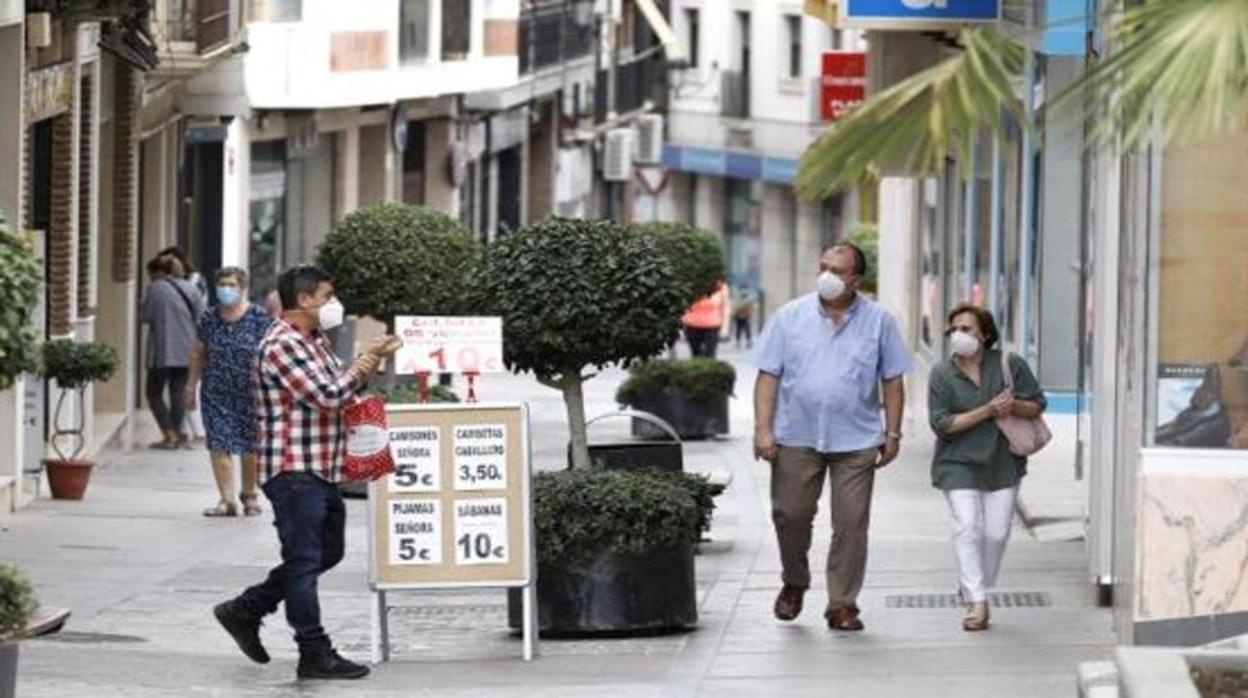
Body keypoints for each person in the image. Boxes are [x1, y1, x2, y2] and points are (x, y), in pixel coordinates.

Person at [213, 264, 397, 681]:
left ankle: (247, 608)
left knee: (325, 553)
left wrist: (369, 363)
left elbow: (340, 385)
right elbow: (329, 395)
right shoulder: (282, 345)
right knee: (303, 559)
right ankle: (312, 650)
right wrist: (367, 359)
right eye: (328, 296)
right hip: (294, 468)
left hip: (320, 467)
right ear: (305, 300)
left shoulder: (314, 341)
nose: (334, 305)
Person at [752, 243, 910, 632]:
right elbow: (768, 375)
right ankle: (794, 580)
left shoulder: (880, 322)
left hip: (856, 439)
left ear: (856, 279)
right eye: (823, 267)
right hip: (796, 435)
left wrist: (892, 432)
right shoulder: (789, 317)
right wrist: (762, 428)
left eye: (837, 270)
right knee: (790, 514)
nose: (826, 276)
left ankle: (842, 603)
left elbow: (893, 380)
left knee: (852, 524)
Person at [927, 304, 1046, 632]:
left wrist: (1014, 406)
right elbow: (942, 424)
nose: (959, 335)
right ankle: (978, 601)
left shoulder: (1009, 364)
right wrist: (988, 410)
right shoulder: (941, 374)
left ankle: (973, 582)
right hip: (957, 462)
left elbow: (1037, 403)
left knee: (996, 533)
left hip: (1002, 461)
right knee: (967, 526)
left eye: (967, 329)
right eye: (954, 330)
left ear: (985, 333)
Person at [185, 267, 273, 517]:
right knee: (219, 443)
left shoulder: (259, 318)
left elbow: (271, 353)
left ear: (243, 288)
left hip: (251, 393)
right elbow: (197, 352)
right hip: (216, 391)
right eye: (222, 284)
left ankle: (249, 495)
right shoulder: (209, 318)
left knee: (250, 447)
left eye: (231, 285)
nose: (226, 289)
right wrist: (191, 386)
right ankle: (226, 500)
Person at [141, 255, 205, 449]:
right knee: (178, 392)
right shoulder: (190, 288)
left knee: (153, 393)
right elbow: (201, 317)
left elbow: (145, 316)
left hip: (162, 349)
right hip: (187, 349)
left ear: (159, 272)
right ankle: (177, 433)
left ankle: (169, 433)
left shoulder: (155, 288)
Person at [160, 246, 209, 443]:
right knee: (180, 387)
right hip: (186, 340)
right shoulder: (191, 283)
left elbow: (200, 309)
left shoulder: (194, 281)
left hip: (186, 340)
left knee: (183, 387)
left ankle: (185, 431)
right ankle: (182, 430)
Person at [684, 280, 729, 358]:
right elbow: (683, 305)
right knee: (696, 355)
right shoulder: (690, 283)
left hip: (712, 327)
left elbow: (725, 307)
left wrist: (725, 328)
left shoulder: (720, 286)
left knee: (710, 354)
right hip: (692, 326)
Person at [733, 284, 756, 349]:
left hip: (746, 317)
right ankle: (738, 342)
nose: (743, 291)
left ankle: (748, 341)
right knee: (738, 329)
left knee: (747, 329)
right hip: (738, 316)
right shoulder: (737, 298)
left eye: (745, 289)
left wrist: (750, 314)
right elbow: (735, 307)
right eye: (742, 289)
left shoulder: (749, 299)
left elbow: (751, 308)